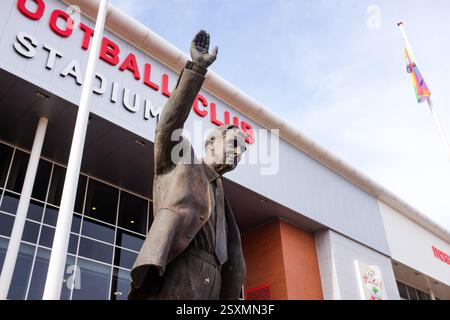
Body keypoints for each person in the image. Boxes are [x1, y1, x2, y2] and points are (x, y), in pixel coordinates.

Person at [128, 30, 247, 300]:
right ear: (211, 143)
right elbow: (168, 125)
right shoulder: (181, 161)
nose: (238, 155)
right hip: (179, 275)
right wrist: (196, 70)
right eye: (233, 145)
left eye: (242, 151)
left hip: (214, 286)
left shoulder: (222, 196)